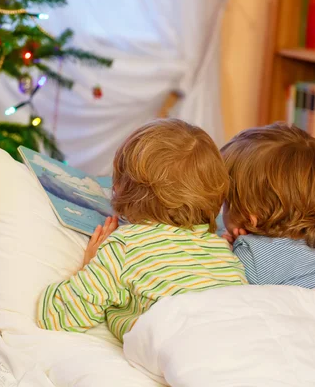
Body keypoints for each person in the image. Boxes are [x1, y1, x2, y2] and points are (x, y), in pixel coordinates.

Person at [37, 119, 246, 342]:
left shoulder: (126, 245)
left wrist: (90, 264)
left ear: (124, 191)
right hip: (237, 336)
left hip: (184, 343)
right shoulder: (222, 249)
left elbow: (58, 316)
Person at [221, 123, 315, 288]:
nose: (222, 210)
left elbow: (229, 290)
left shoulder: (250, 255)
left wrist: (230, 249)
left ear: (251, 219)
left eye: (226, 203)